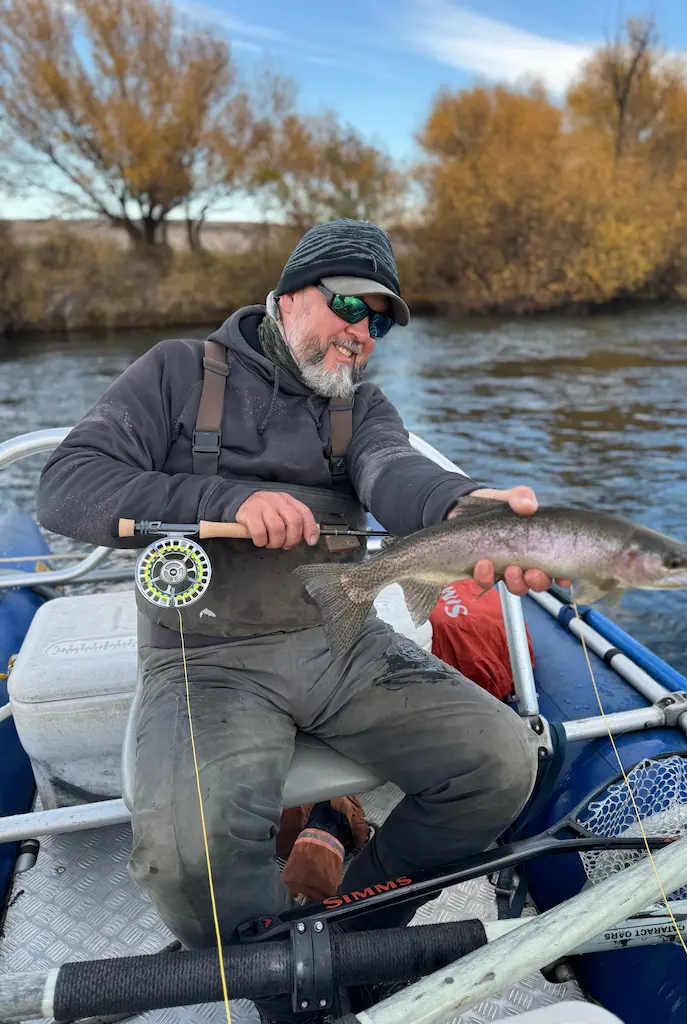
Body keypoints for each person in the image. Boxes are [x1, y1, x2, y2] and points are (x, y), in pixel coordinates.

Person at [36, 218, 569, 1023]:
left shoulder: (362, 410)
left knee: (499, 762)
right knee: (186, 864)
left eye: (380, 321)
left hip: (342, 643)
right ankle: (273, 970)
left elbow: (399, 476)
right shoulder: (178, 371)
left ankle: (355, 923)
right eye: (350, 303)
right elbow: (69, 484)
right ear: (288, 297)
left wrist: (468, 511)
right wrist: (226, 501)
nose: (362, 333)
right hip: (204, 658)